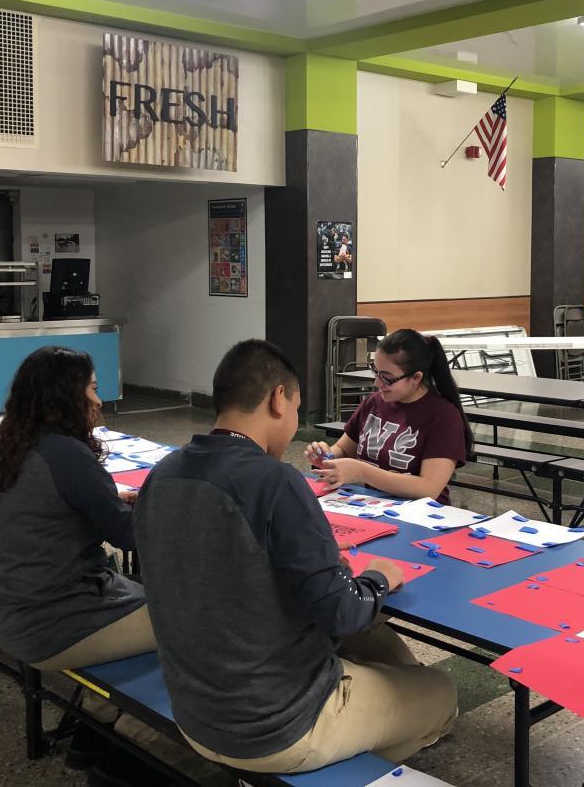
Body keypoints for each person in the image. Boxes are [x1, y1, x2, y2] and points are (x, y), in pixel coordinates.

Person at [134, 339, 457, 773]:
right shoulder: (275, 481)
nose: (293, 425)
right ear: (278, 398)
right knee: (441, 690)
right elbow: (343, 612)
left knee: (381, 653)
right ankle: (333, 765)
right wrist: (379, 577)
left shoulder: (163, 473)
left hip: (193, 711)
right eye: (296, 410)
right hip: (279, 724)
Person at [0, 345, 152, 670]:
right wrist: (170, 510)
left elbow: (52, 503)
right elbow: (130, 535)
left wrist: (109, 497)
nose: (98, 402)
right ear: (66, 396)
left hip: (13, 611)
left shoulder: (18, 447)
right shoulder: (68, 455)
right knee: (196, 615)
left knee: (147, 588)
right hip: (54, 625)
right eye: (92, 389)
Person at [308, 328, 472, 503]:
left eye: (387, 378)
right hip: (375, 505)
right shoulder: (374, 402)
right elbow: (344, 449)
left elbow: (428, 488)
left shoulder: (443, 416)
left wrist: (361, 471)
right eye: (376, 371)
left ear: (416, 378)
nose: (377, 382)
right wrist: (327, 456)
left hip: (421, 513)